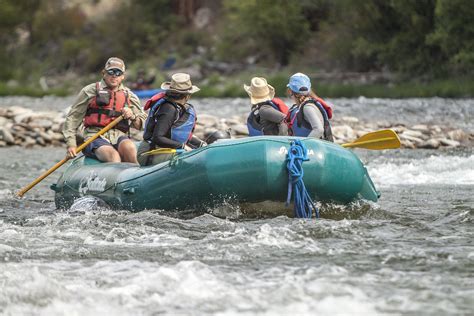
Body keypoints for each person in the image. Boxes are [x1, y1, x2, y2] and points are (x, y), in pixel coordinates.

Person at [63, 57, 147, 163]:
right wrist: (71, 144)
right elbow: (73, 118)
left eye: (118, 73)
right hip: (95, 137)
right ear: (104, 73)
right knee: (113, 156)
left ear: (123, 77)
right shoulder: (90, 91)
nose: (114, 76)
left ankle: (135, 177)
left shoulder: (129, 96)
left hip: (119, 136)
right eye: (111, 71)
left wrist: (132, 116)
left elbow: (142, 124)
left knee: (129, 148)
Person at [137, 73, 206, 166]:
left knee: (196, 152)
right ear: (187, 95)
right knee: (191, 159)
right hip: (150, 153)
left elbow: (181, 136)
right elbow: (158, 137)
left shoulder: (179, 108)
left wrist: (202, 145)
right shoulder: (168, 109)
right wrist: (182, 146)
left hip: (164, 150)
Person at [286, 73, 334, 141]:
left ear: (290, 91)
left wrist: (303, 144)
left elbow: (319, 130)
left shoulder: (307, 108)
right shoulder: (300, 107)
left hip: (314, 149)